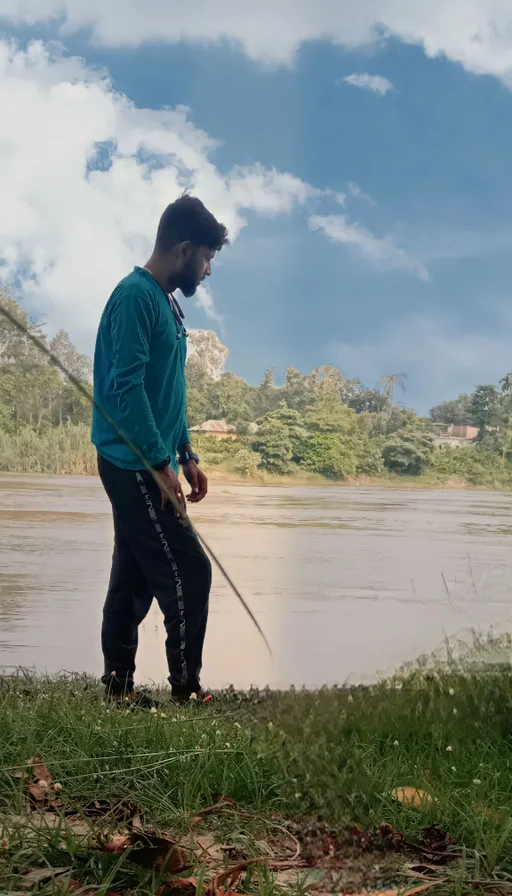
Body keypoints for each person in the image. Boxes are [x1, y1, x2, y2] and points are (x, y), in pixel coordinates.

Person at [92, 194, 229, 705]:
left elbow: (166, 388)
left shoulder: (166, 303)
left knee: (133, 578)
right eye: (207, 257)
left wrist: (185, 452)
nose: (208, 269)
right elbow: (126, 389)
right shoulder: (134, 297)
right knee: (190, 572)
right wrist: (156, 464)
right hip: (131, 463)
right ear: (184, 248)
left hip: (150, 459)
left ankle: (118, 690)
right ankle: (186, 690)